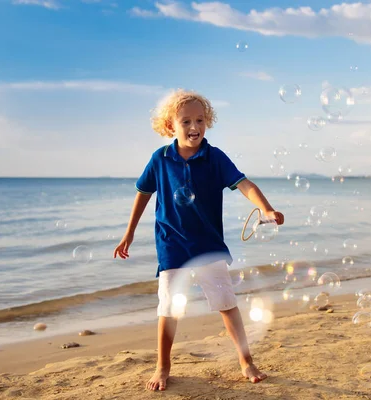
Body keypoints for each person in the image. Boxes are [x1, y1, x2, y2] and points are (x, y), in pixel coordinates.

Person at [113, 89, 284, 391]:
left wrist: (265, 208)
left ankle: (246, 361)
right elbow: (142, 194)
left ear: (208, 122)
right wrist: (129, 234)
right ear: (170, 126)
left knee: (226, 303)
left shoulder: (215, 157)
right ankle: (163, 366)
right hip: (172, 244)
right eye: (186, 121)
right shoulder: (160, 159)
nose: (194, 127)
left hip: (208, 245)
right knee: (169, 307)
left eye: (200, 120)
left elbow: (244, 184)